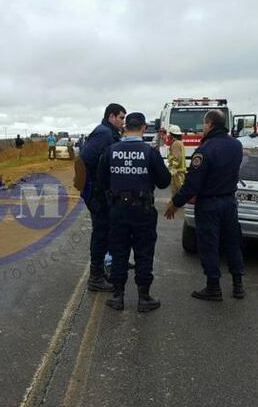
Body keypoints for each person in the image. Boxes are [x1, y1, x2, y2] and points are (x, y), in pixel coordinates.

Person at [164, 110, 245, 301]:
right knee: (233, 243)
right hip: (229, 202)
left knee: (209, 245)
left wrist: (175, 203)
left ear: (209, 124)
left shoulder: (205, 149)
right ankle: (238, 285)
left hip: (209, 204)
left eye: (204, 125)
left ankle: (213, 287)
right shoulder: (236, 146)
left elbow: (193, 183)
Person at [98, 112, 171, 312]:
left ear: (124, 128)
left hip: (118, 209)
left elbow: (101, 179)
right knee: (144, 253)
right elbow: (164, 181)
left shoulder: (111, 151)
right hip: (143, 211)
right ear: (144, 128)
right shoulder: (150, 152)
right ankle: (144, 297)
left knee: (119, 252)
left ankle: (117, 296)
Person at [79, 103, 126, 292]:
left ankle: (100, 272)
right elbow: (85, 160)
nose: (123, 122)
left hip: (101, 192)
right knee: (100, 233)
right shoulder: (104, 133)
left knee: (105, 232)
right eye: (121, 117)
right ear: (111, 116)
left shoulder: (110, 133)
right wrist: (98, 186)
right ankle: (95, 276)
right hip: (97, 193)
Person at [167, 124, 186, 196]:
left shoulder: (175, 144)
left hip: (177, 173)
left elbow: (176, 158)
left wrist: (172, 169)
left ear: (172, 135)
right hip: (180, 172)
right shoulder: (180, 143)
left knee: (176, 193)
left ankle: (175, 206)